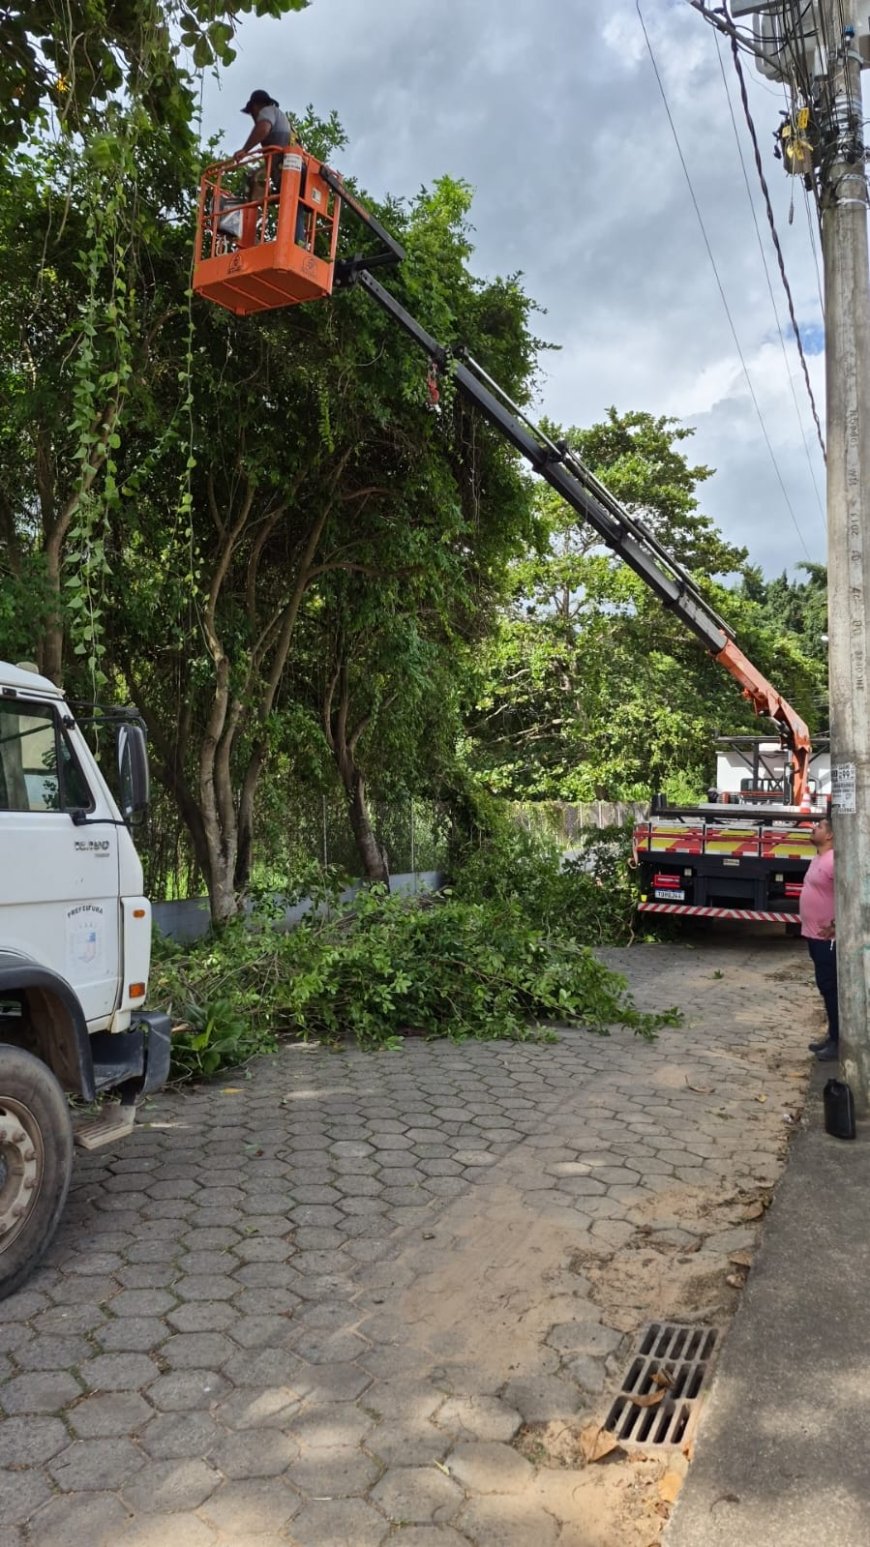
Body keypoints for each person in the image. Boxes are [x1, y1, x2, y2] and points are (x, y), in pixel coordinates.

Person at [800, 816, 838, 1062]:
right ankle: (833, 1035)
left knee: (831, 988)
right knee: (825, 987)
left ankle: (838, 1042)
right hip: (814, 935)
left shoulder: (834, 861)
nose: (814, 828)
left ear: (830, 835)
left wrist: (836, 924)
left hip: (828, 939)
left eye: (820, 826)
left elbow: (850, 893)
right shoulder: (819, 858)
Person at [232, 90, 293, 200]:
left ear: (255, 107)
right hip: (293, 174)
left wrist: (244, 150)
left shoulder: (267, 111)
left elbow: (263, 128)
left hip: (288, 172)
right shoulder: (281, 118)